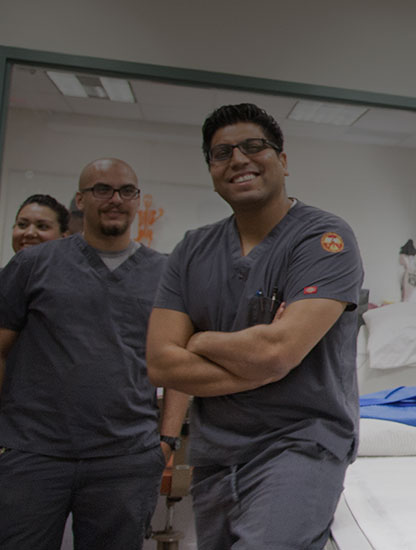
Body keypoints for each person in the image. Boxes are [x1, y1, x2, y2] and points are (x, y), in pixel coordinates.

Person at [146, 103, 363, 550]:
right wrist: (262, 361)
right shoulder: (192, 249)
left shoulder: (324, 240)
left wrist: (201, 340)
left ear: (282, 161)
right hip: (215, 454)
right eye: (221, 153)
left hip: (299, 445)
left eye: (253, 147)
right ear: (211, 170)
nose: (238, 160)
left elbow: (277, 352)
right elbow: (162, 363)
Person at [0, 158, 188, 549]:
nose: (115, 199)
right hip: (35, 453)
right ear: (80, 201)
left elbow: (178, 366)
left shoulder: (166, 275)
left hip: (125, 458)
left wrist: (167, 440)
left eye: (126, 191)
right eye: (101, 189)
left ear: (138, 200)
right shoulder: (32, 265)